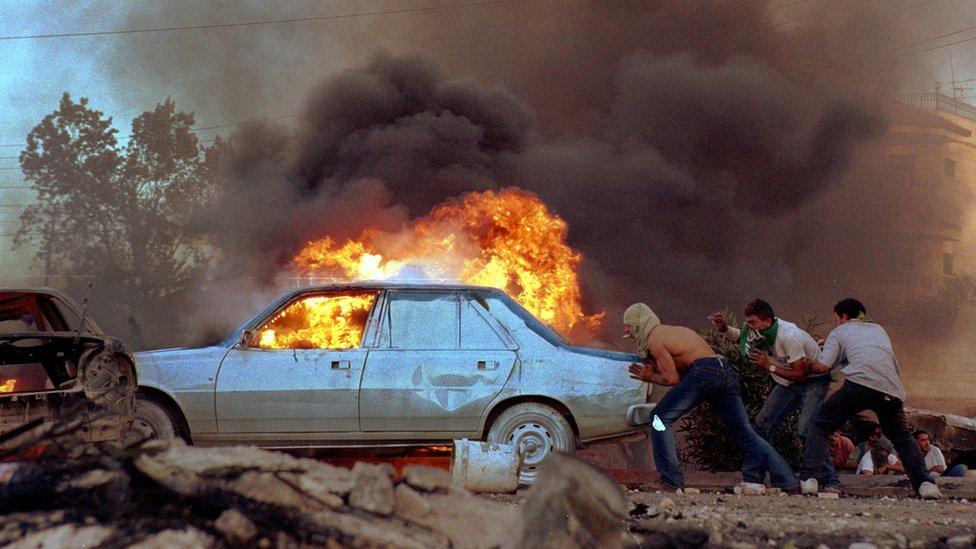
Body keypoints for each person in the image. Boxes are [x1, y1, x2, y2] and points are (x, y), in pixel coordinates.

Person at [623, 303, 797, 492]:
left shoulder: (655, 339)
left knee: (659, 417)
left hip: (705, 372)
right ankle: (788, 482)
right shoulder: (669, 332)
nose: (627, 331)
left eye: (629, 326)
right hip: (724, 371)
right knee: (746, 434)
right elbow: (684, 374)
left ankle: (670, 480)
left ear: (640, 324)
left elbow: (672, 379)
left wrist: (650, 377)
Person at [796, 298, 941, 498]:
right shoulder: (878, 329)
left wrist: (807, 364)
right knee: (903, 438)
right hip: (891, 390)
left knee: (820, 426)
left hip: (860, 385)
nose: (836, 323)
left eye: (836, 319)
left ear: (843, 317)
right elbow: (866, 354)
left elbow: (822, 366)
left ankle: (809, 479)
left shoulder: (840, 330)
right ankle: (926, 485)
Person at [711, 299, 839, 489]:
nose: (750, 326)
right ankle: (752, 477)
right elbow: (742, 337)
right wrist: (724, 329)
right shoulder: (761, 332)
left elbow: (801, 375)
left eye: (753, 322)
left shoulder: (789, 336)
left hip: (812, 381)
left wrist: (768, 365)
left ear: (767, 321)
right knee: (762, 424)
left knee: (807, 429)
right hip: (787, 381)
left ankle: (828, 480)